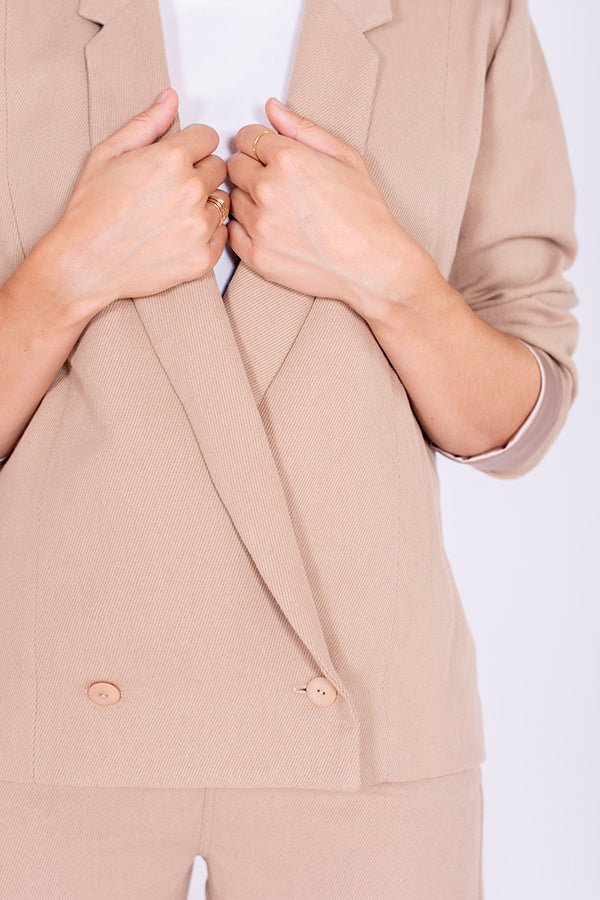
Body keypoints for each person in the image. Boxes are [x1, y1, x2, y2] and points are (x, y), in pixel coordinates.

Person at [0, 0, 579, 897]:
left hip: (368, 743)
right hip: (39, 739)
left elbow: (515, 425)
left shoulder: (465, 16)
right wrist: (68, 273)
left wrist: (388, 274)